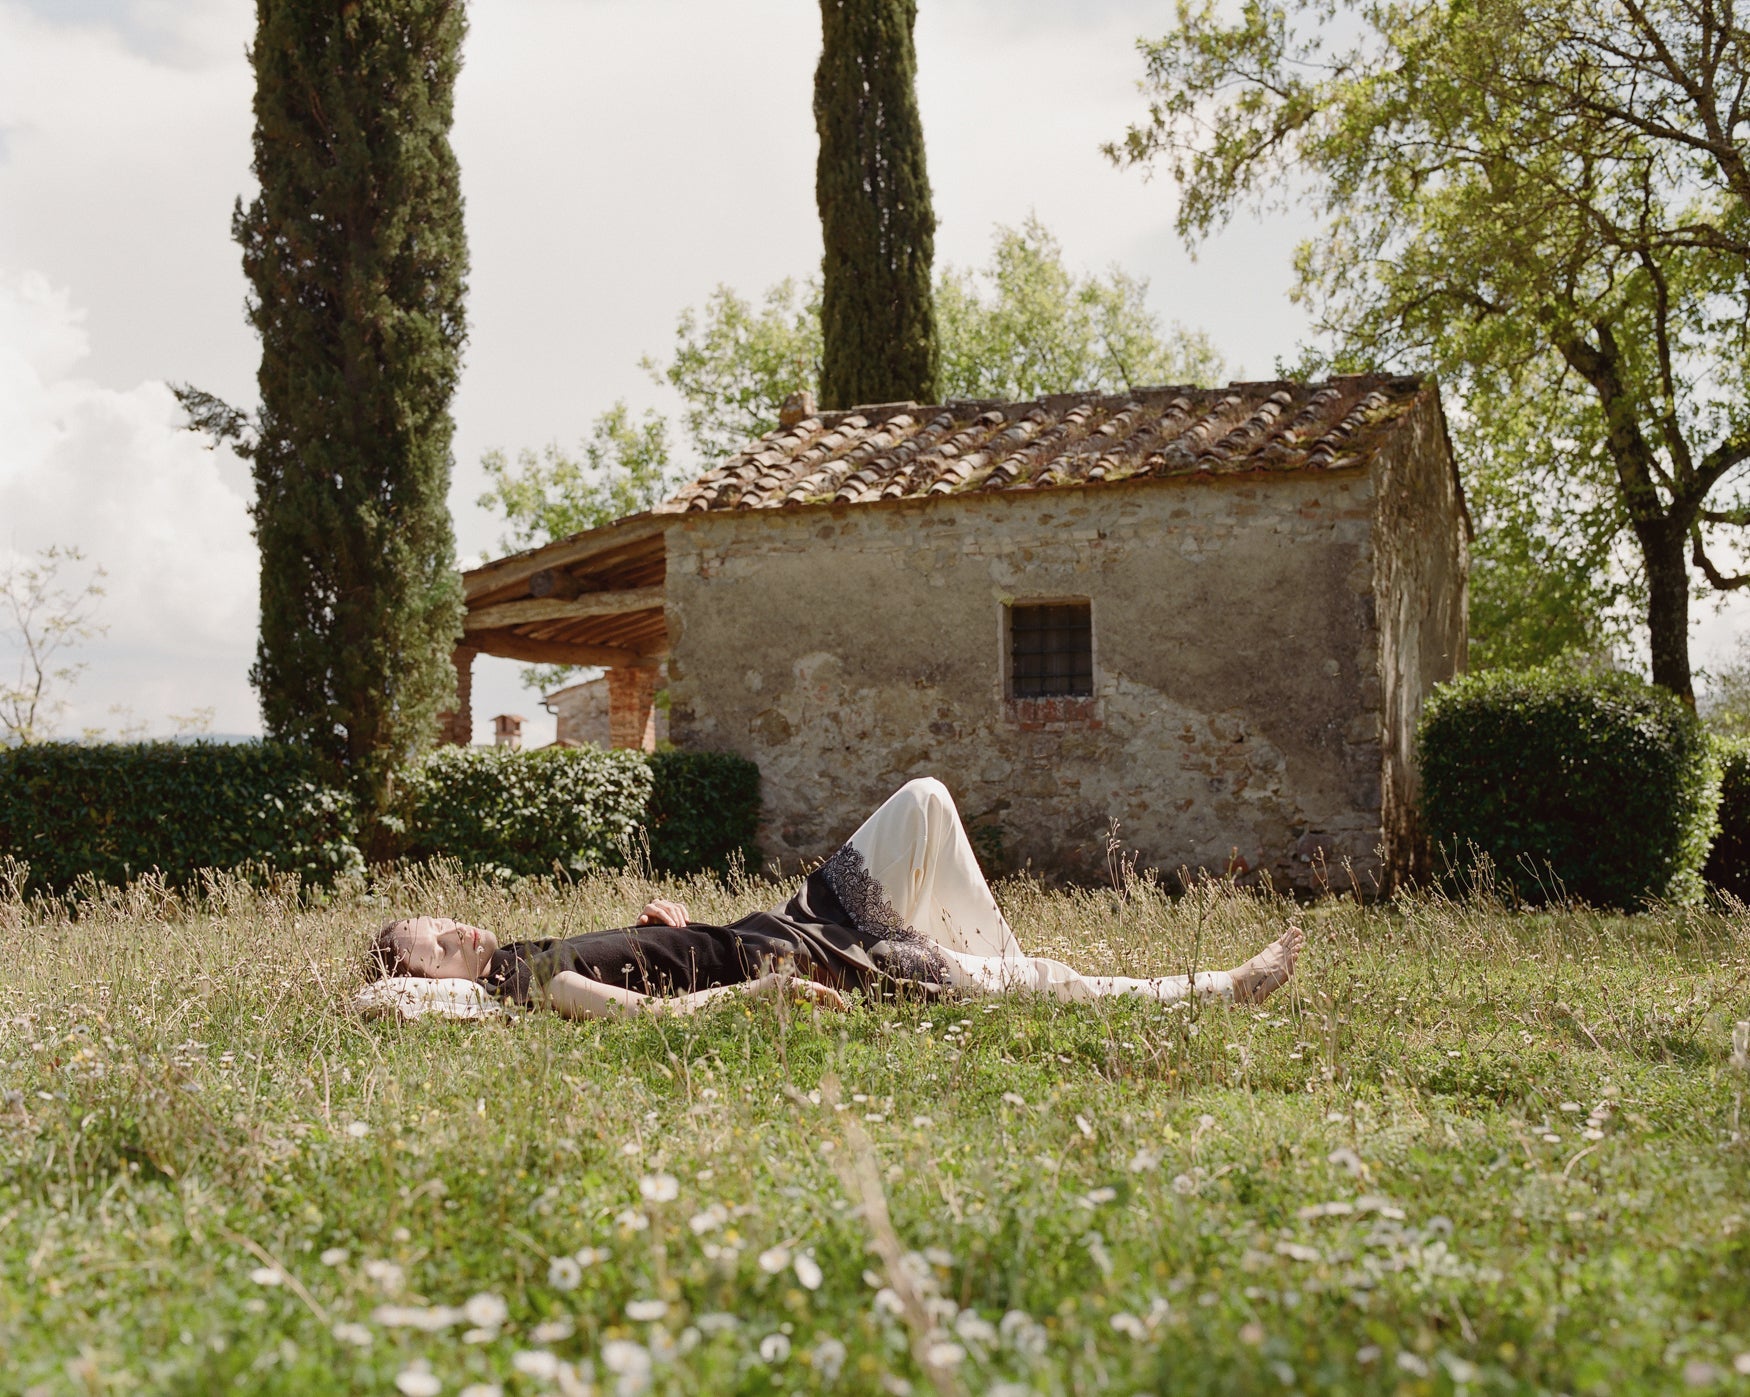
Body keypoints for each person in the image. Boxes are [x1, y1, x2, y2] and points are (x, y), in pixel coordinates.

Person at [363, 777, 1303, 1021]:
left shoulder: (527, 946)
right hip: (808, 957)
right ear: (420, 975)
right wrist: (744, 993)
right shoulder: (520, 979)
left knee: (926, 802)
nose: (454, 927)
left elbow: (649, 974)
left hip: (787, 915)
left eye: (439, 920)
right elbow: (638, 1018)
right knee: (1046, 983)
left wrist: (685, 934)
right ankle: (1217, 988)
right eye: (432, 942)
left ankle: (995, 971)